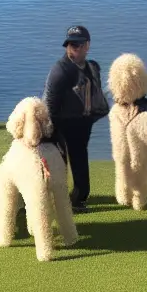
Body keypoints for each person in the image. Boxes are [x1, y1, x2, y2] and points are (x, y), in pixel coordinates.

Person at [41, 25, 108, 212]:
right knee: (58, 166)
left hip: (82, 124)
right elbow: (49, 103)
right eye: (71, 45)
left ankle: (78, 199)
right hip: (60, 125)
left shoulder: (92, 67)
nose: (74, 49)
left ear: (87, 45)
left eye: (78, 45)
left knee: (80, 158)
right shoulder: (60, 70)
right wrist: (50, 132)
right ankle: (56, 202)